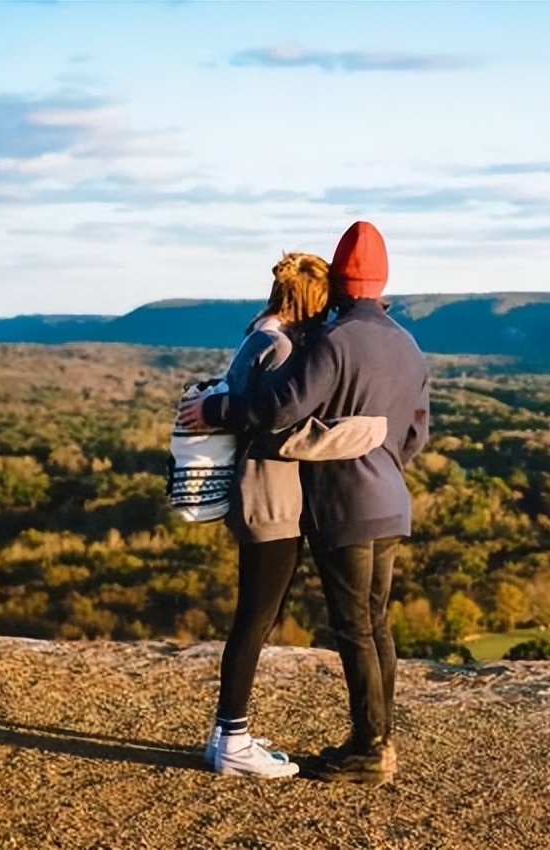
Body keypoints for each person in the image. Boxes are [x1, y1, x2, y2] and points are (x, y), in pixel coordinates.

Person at [181, 221, 430, 785]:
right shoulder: (408, 345)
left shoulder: (335, 341)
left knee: (355, 629)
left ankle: (369, 751)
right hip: (390, 498)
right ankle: (378, 740)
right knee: (377, 626)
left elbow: (278, 407)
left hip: (344, 503)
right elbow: (417, 433)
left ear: (341, 282)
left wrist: (217, 412)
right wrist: (384, 464)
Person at [194, 252, 329, 779]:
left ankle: (226, 734)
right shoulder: (282, 346)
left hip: (253, 493)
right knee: (256, 618)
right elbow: (277, 420)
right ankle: (233, 738)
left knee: (256, 614)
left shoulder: (258, 334)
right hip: (269, 497)